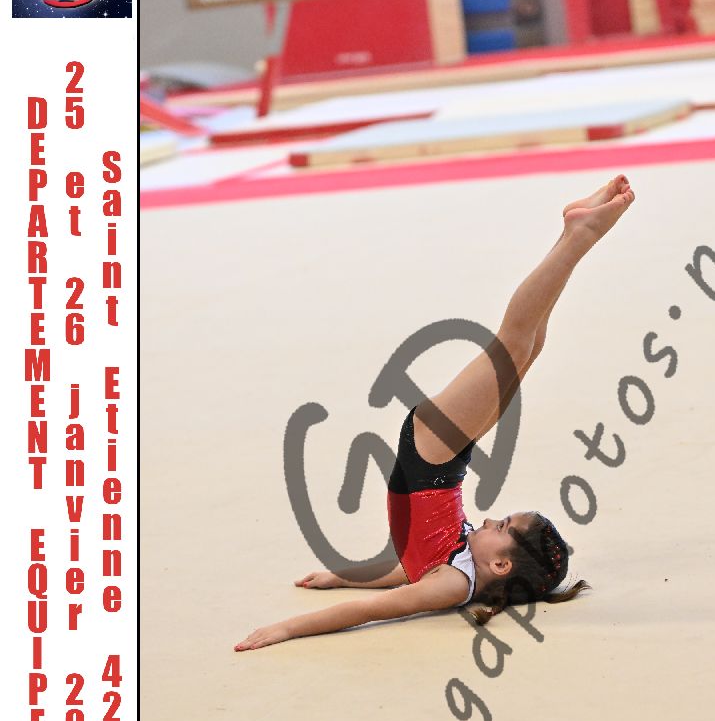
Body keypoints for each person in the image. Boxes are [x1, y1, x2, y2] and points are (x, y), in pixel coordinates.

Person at [236, 175, 635, 651]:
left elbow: (377, 607)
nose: (490, 520)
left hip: (434, 457)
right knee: (527, 348)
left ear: (501, 565)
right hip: (437, 456)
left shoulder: (451, 584)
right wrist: (343, 575)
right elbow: (411, 566)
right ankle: (572, 233)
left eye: (502, 527)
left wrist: (289, 626)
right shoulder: (460, 569)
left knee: (514, 344)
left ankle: (578, 236)